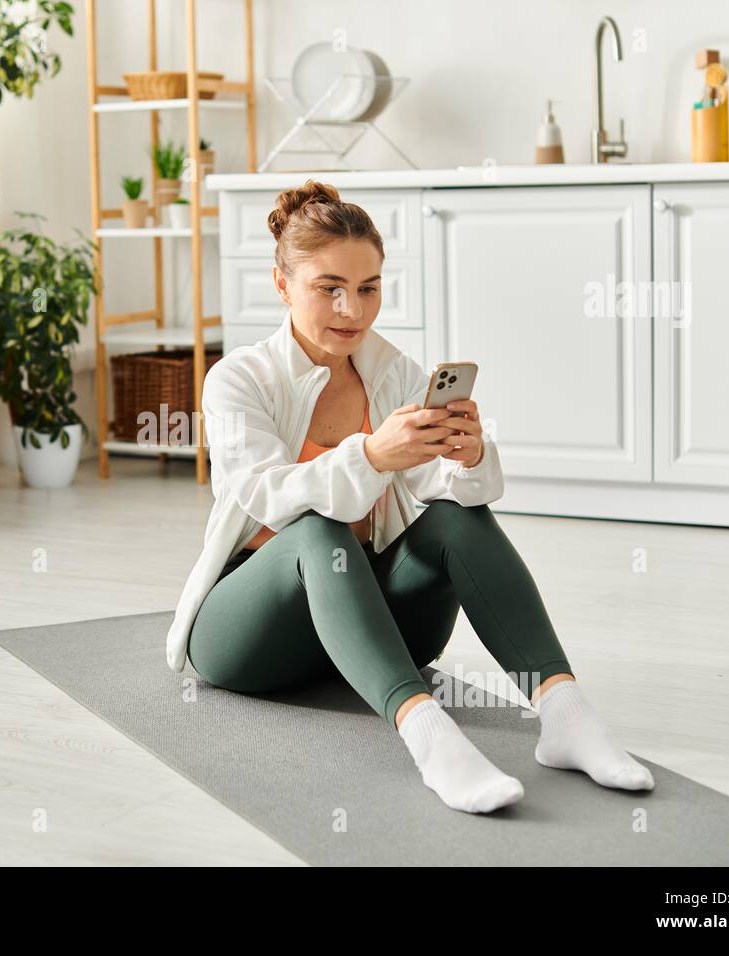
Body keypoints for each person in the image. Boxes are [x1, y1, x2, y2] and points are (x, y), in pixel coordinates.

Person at [165, 180, 654, 814]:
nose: (352, 309)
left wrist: (468, 455)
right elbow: (266, 497)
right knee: (316, 530)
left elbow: (445, 491)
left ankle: (564, 711)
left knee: (454, 519)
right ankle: (431, 740)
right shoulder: (239, 379)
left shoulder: (393, 371)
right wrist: (372, 454)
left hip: (368, 620)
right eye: (329, 288)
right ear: (283, 284)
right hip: (252, 636)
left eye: (368, 288)